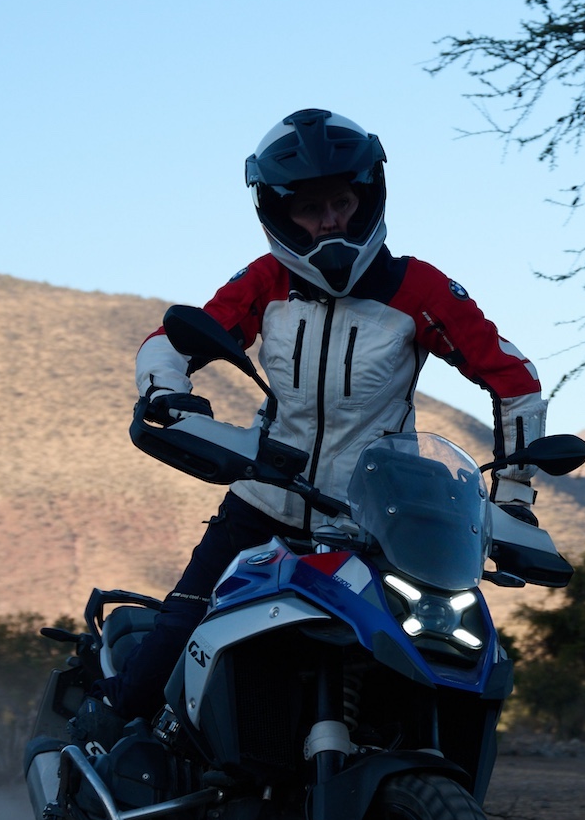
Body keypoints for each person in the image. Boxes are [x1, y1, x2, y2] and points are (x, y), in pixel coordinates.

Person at [107, 108, 549, 721]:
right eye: (311, 209)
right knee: (165, 655)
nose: (330, 221)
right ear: (281, 216)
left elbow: (513, 380)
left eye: (341, 201)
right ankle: (102, 756)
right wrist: (167, 394)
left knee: (439, 671)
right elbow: (170, 341)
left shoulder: (416, 290)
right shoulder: (267, 283)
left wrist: (515, 496)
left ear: (366, 197)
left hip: (376, 526)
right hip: (262, 506)